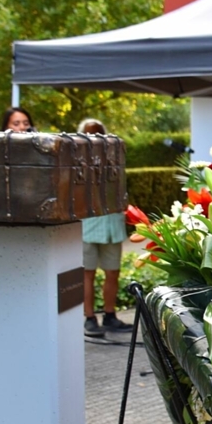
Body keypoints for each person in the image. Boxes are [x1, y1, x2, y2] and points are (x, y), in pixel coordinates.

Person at [78, 118, 132, 337]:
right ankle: (89, 318)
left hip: (112, 224)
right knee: (86, 274)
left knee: (113, 272)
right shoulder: (76, 161)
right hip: (88, 225)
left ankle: (110, 316)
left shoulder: (114, 158)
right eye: (90, 135)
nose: (95, 139)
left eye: (99, 134)